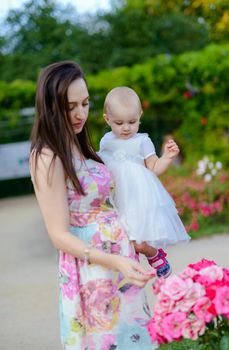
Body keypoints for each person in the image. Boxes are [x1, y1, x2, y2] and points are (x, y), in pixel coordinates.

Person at [30, 62, 156, 350]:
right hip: (93, 268)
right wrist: (114, 261)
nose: (80, 113)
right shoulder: (47, 156)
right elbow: (59, 235)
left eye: (85, 103)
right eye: (70, 105)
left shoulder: (80, 144)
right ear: (50, 106)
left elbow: (106, 206)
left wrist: (135, 242)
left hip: (121, 258)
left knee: (135, 342)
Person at [99, 86, 190, 278]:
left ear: (140, 115)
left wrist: (167, 157)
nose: (126, 127)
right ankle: (130, 272)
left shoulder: (142, 141)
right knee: (122, 240)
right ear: (107, 119)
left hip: (137, 200)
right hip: (116, 199)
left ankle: (155, 254)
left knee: (138, 242)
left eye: (132, 122)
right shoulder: (106, 141)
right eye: (119, 122)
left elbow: (153, 168)